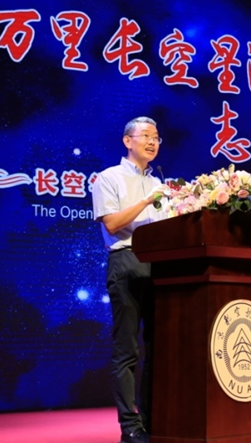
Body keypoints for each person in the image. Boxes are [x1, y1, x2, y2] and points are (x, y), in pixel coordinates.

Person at [92, 116, 168, 443]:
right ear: (128, 141)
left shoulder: (160, 182)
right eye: (146, 136)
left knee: (158, 348)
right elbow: (112, 224)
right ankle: (130, 427)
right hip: (126, 261)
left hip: (161, 266)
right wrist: (147, 201)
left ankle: (152, 420)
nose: (152, 142)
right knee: (127, 350)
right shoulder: (109, 178)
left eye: (156, 137)